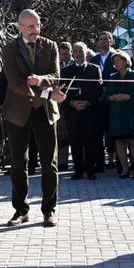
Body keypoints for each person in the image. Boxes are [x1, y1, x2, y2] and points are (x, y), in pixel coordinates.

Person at [1, 9, 61, 227]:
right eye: (30, 27)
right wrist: (45, 91)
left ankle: (49, 211)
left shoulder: (51, 45)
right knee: (19, 162)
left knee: (50, 163)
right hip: (18, 112)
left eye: (37, 25)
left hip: (45, 111)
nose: (35, 30)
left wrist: (41, 81)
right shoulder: (9, 49)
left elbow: (56, 76)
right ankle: (20, 210)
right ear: (20, 28)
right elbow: (15, 83)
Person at [56, 41, 102, 180]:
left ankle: (90, 170)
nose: (77, 54)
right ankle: (78, 170)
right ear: (72, 54)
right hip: (72, 111)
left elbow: (98, 89)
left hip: (89, 110)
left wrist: (88, 102)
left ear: (85, 52)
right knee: (74, 141)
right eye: (75, 52)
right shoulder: (65, 71)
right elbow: (62, 91)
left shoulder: (94, 69)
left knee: (89, 141)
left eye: (80, 51)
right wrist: (72, 102)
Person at [105, 51, 134, 179]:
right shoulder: (112, 77)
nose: (116, 63)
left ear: (125, 61)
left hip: (132, 111)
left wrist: (129, 96)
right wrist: (112, 97)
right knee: (119, 141)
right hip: (117, 114)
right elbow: (106, 95)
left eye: (118, 60)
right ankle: (124, 169)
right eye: (114, 61)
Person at [90, 31, 118, 173]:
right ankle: (99, 161)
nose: (103, 41)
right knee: (98, 131)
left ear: (112, 41)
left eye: (106, 39)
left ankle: (114, 160)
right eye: (100, 39)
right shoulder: (94, 59)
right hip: (98, 100)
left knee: (113, 130)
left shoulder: (117, 57)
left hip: (113, 99)